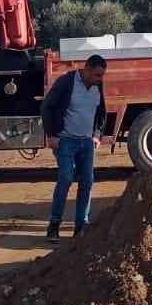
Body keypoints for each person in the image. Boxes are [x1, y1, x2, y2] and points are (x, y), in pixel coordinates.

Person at [40, 54, 108, 239]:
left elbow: (101, 111)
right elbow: (47, 107)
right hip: (65, 141)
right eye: (97, 75)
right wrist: (51, 135)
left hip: (87, 143)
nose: (100, 79)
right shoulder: (67, 82)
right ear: (86, 69)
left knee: (87, 181)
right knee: (66, 178)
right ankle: (54, 226)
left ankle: (81, 228)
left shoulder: (97, 85)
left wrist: (97, 135)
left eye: (102, 75)